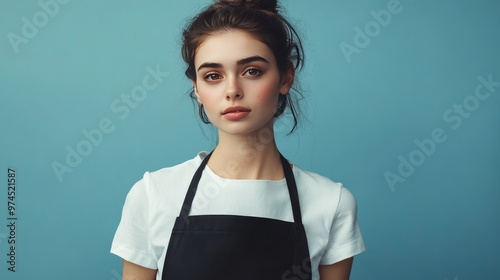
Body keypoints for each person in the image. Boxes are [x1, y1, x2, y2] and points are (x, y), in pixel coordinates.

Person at [110, 0, 365, 279]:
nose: (232, 90)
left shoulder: (330, 202)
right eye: (213, 76)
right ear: (196, 88)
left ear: (285, 77)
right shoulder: (153, 195)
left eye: (252, 71)